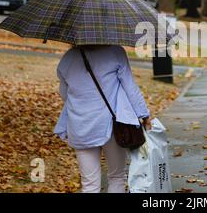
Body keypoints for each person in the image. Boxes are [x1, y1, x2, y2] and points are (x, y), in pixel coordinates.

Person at [54, 45, 152, 193]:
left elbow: (65, 94)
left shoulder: (68, 58)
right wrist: (143, 115)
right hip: (112, 127)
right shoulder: (115, 52)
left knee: (89, 184)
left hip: (80, 127)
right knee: (116, 177)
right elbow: (130, 87)